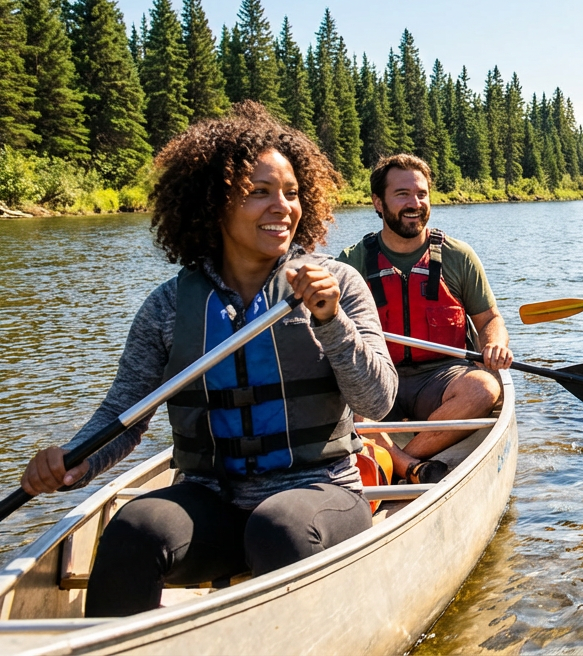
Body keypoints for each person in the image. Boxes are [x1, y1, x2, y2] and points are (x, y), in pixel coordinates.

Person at [20, 102, 397, 617]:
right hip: (212, 499)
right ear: (215, 203)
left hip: (320, 492)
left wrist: (330, 322)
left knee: (279, 527)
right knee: (134, 528)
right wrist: (72, 463)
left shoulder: (337, 283)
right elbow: (123, 416)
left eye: (290, 193)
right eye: (258, 193)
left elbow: (377, 400)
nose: (281, 207)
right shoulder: (170, 306)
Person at [337, 154, 511, 484]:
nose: (414, 203)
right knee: (345, 398)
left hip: (441, 379)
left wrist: (495, 344)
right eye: (402, 194)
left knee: (485, 388)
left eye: (421, 194)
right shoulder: (352, 262)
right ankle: (410, 469)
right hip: (376, 380)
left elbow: (489, 319)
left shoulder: (459, 257)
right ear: (378, 202)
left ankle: (399, 461)